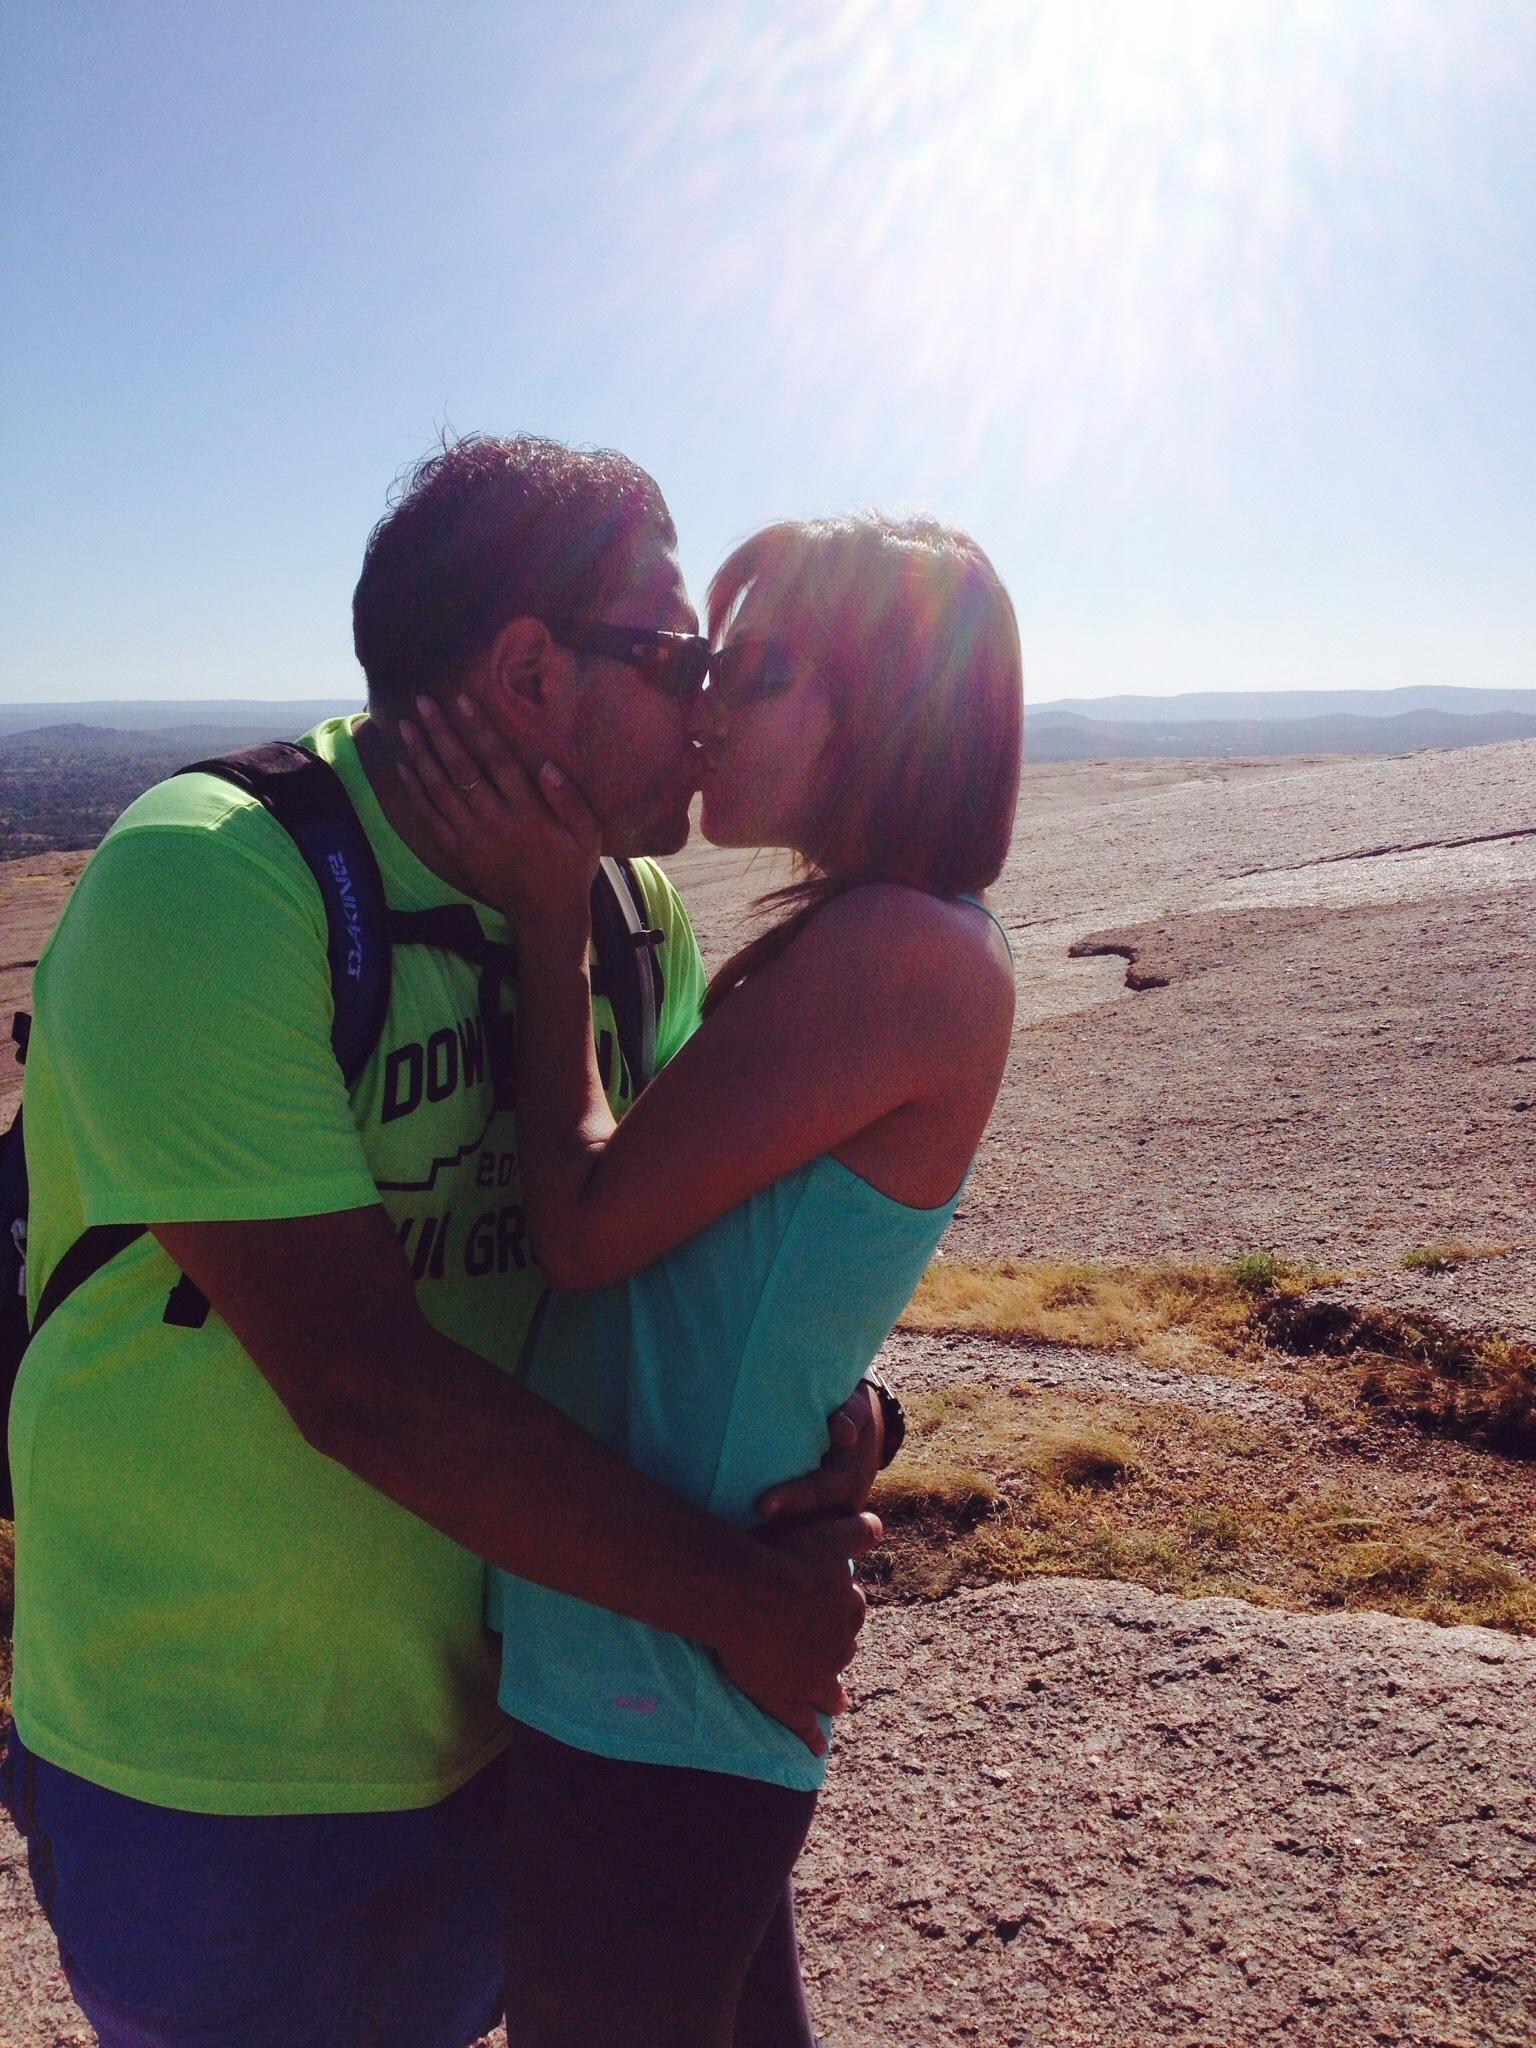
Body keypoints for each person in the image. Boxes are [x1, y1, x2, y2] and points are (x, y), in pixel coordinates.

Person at [0, 437, 890, 2048]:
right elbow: (359, 1381)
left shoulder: (625, 918)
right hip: (214, 1772)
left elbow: (674, 1275)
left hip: (519, 1721)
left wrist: (845, 1426)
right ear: (532, 671)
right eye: (676, 655)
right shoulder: (213, 885)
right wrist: (739, 1603)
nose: (706, 706)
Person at [398, 510, 1022, 2047]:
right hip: (666, 1645)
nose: (707, 711)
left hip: (656, 1676)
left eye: (753, 673)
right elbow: (747, 1262)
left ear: (886, 709)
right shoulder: (890, 937)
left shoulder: (899, 949)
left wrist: (550, 911)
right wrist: (855, 1404)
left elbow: (590, 1226)